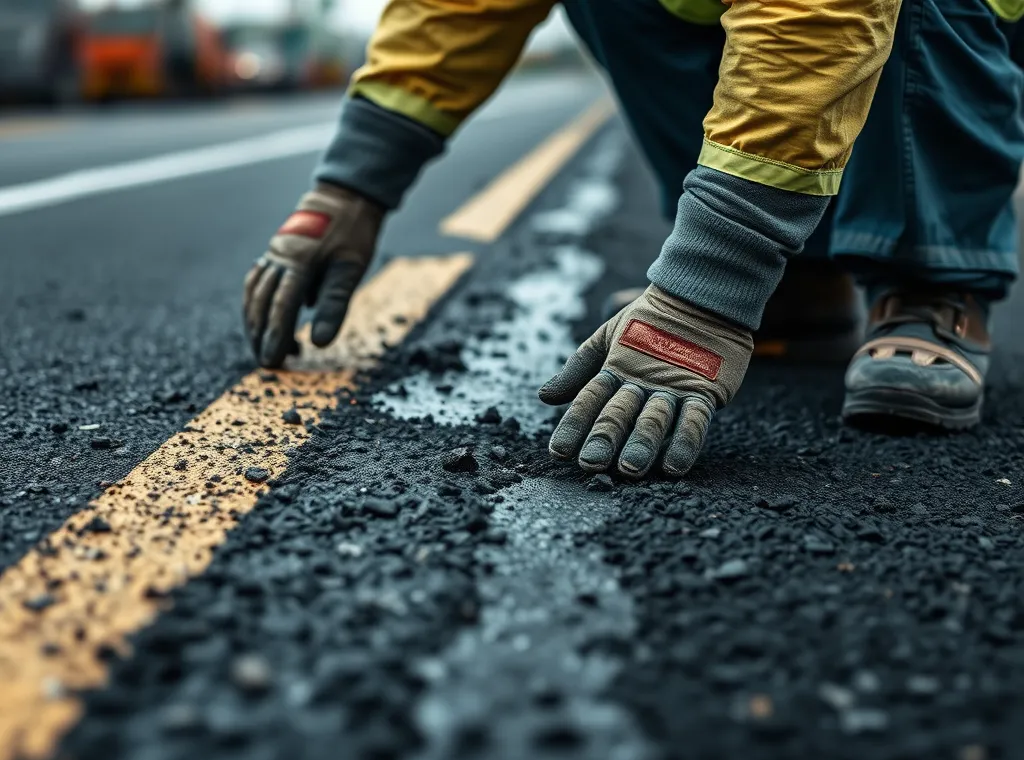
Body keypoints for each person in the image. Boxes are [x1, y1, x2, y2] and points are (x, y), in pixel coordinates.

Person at [243, 0, 1022, 481]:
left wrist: (707, 283)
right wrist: (348, 187)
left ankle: (931, 278)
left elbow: (818, 19)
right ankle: (796, 280)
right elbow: (461, 5)